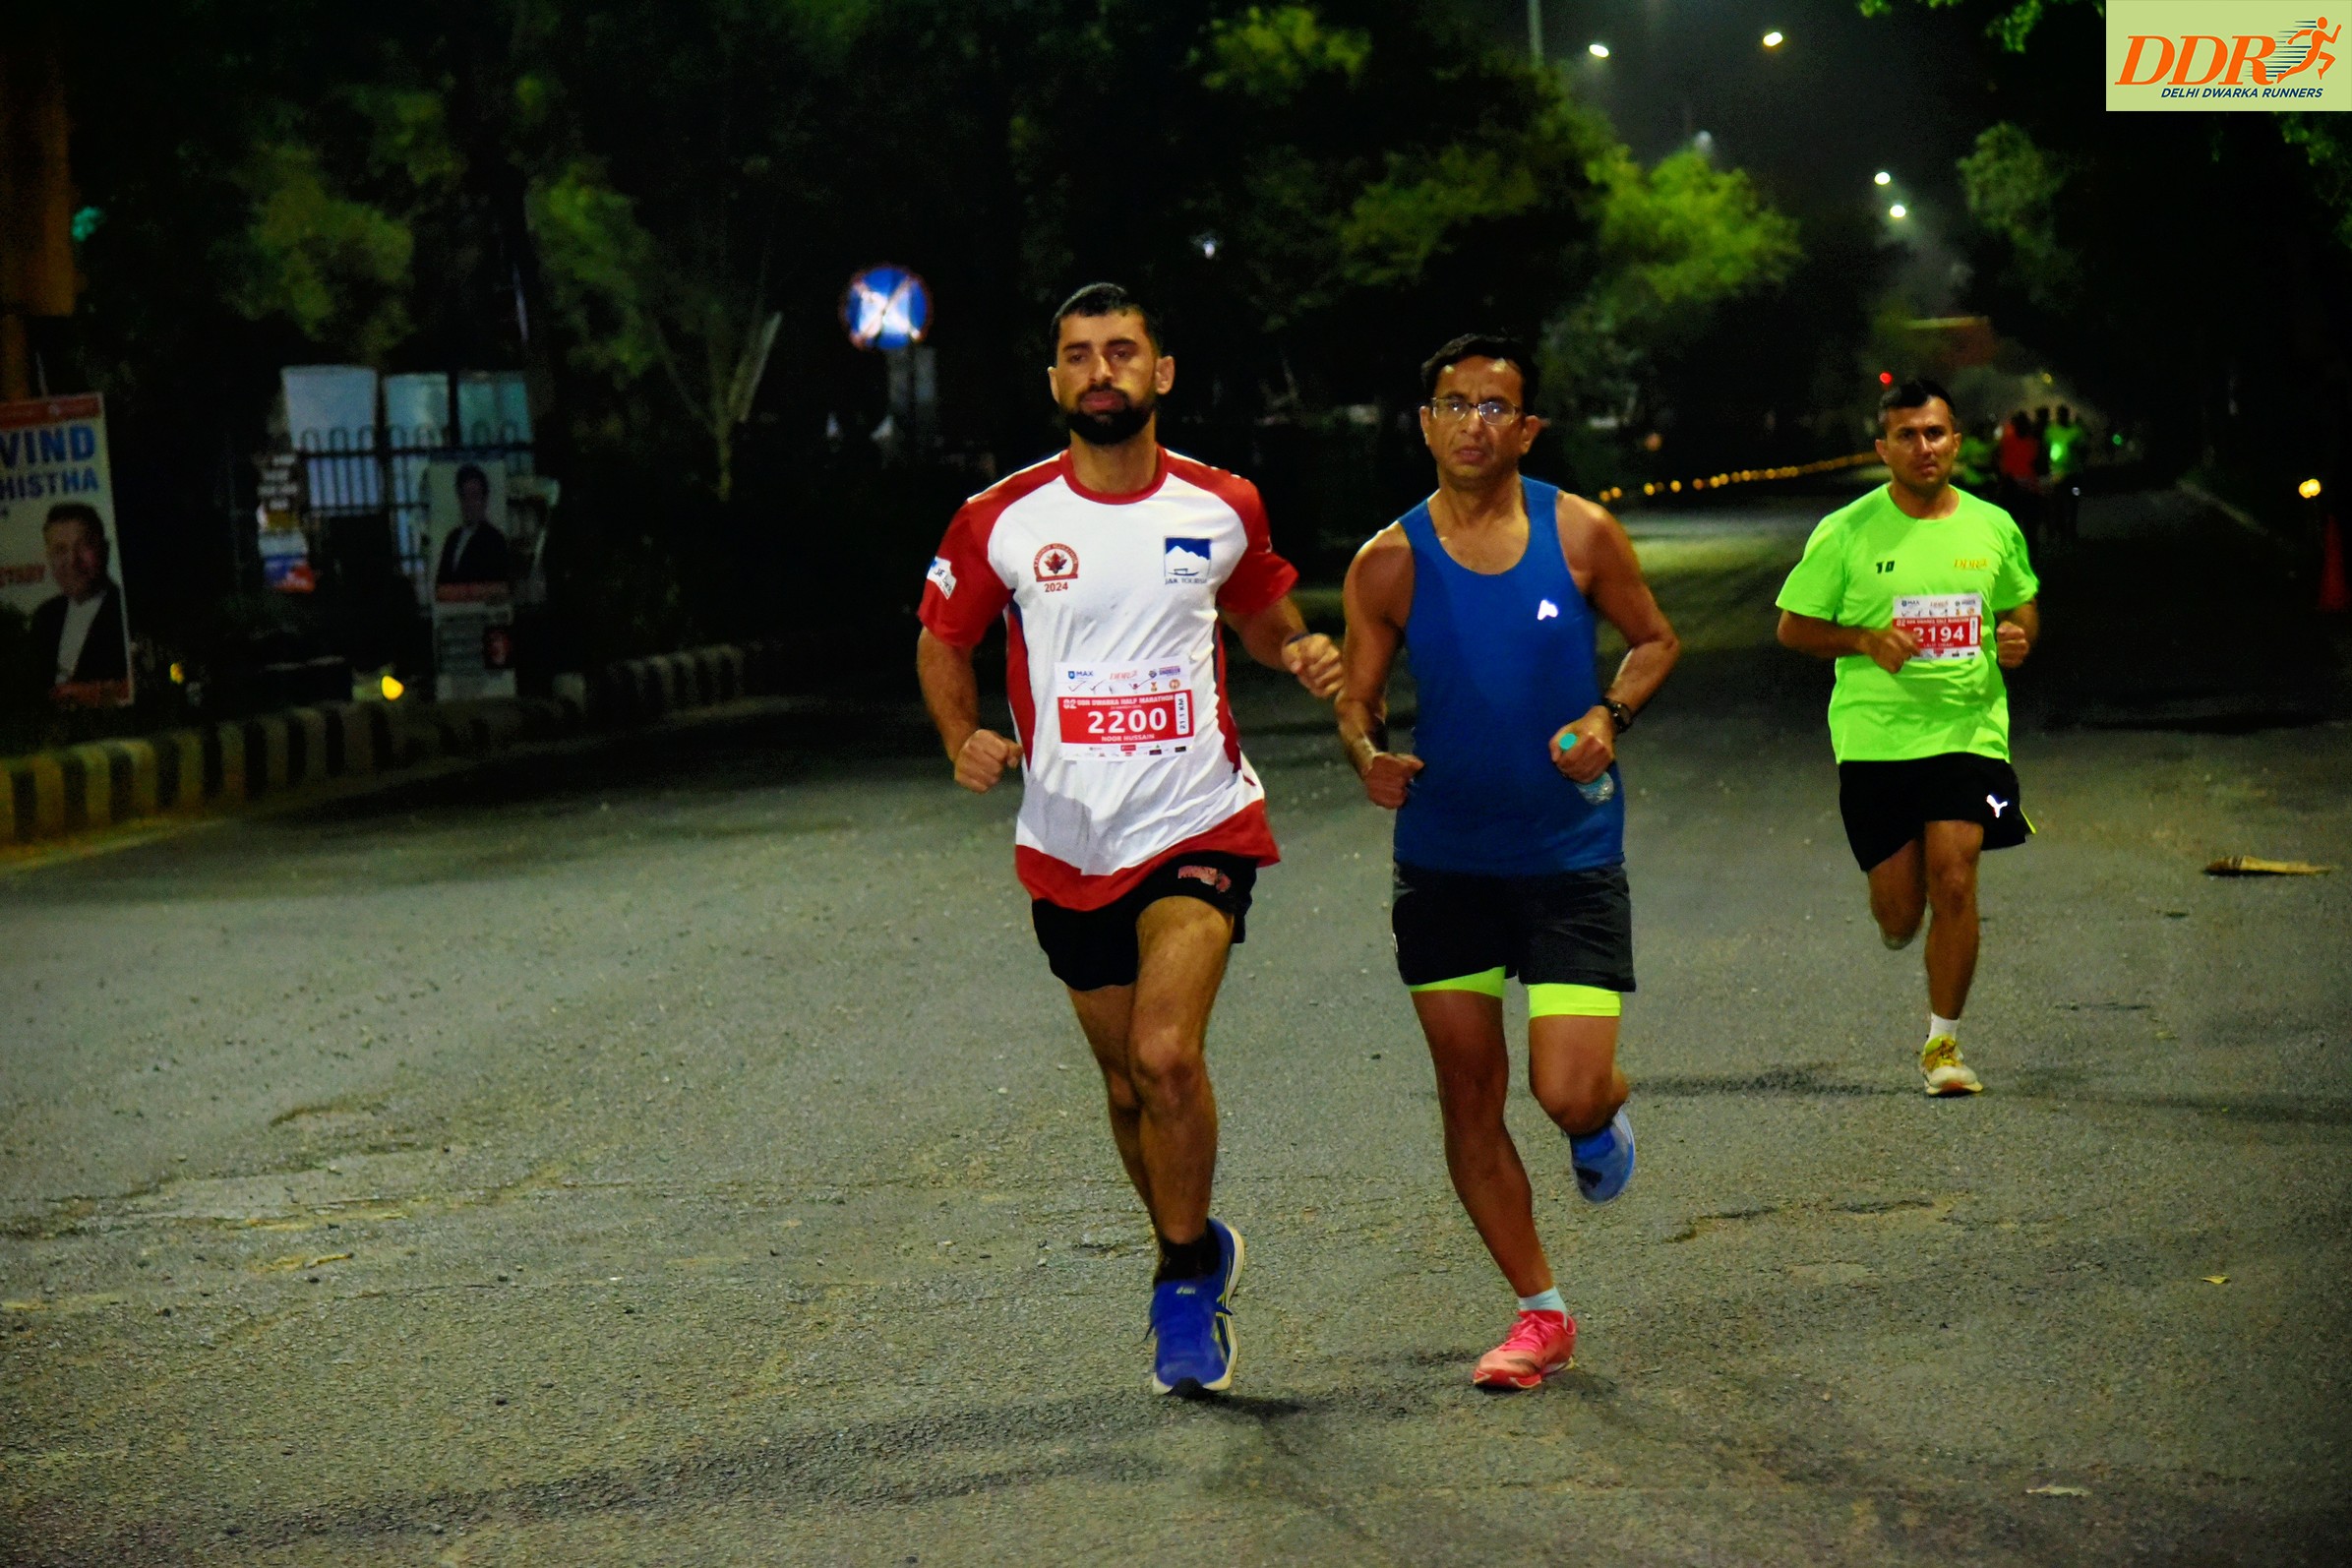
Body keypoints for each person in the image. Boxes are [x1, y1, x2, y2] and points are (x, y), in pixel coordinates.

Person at [915, 282, 1343, 1397]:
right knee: (1123, 1086)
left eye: (1120, 351)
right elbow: (943, 636)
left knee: (1164, 1055)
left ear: (1161, 372)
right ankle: (1191, 1246)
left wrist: (1296, 649)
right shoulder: (1001, 518)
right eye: (1077, 354)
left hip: (1198, 817)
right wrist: (962, 735)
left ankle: (1182, 1291)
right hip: (1068, 838)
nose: (1099, 371)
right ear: (1054, 379)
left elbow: (1259, 610)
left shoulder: (1222, 503)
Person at [1336, 333, 1679, 1391]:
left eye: (1495, 407)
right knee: (1469, 1095)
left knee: (1564, 1090)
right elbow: (1358, 699)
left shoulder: (1579, 532)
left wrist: (1609, 715)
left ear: (1527, 429)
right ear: (1425, 422)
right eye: (1454, 404)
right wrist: (1367, 756)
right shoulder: (1387, 561)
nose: (1473, 423)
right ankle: (1540, 1312)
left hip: (1568, 852)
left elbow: (1655, 641)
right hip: (1445, 861)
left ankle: (1599, 1115)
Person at [1775, 379, 2040, 1096]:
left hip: (1967, 729)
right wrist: (1864, 639)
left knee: (1955, 876)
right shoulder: (1845, 531)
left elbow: (2020, 607)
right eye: (1907, 436)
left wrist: (2016, 638)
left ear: (1956, 441)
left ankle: (1942, 1047)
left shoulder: (1992, 526)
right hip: (1875, 741)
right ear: (1883, 448)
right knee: (1898, 914)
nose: (1923, 447)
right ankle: (1903, 905)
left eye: (1935, 433)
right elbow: (1793, 627)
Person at [29, 503, 130, 695]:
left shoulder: (125, 610)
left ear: (105, 549)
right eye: (60, 550)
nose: (73, 561)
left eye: (83, 546)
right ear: (49, 557)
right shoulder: (45, 616)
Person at [434, 464, 512, 587]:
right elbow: (441, 584)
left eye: (474, 496)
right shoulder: (452, 538)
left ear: (485, 500)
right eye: (464, 496)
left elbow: (498, 585)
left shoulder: (495, 540)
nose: (469, 503)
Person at [1995, 411, 2042, 549]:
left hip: (2026, 488)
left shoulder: (2030, 441)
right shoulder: (2012, 440)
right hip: (2014, 487)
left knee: (2028, 525)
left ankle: (2028, 550)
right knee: (2018, 524)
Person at [2043, 404, 2085, 545]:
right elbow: (2045, 448)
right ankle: (2062, 531)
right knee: (2059, 503)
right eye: (2059, 414)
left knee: (2074, 502)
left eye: (2064, 414)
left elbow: (2084, 449)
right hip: (2057, 475)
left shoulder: (2076, 431)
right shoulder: (2051, 431)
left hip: (2074, 474)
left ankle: (2071, 530)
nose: (2061, 417)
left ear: (2067, 415)